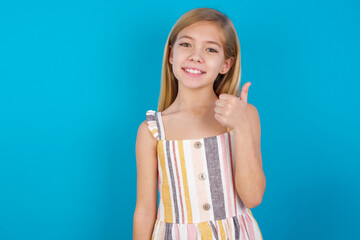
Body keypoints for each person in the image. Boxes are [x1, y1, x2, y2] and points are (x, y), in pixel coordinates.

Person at [133, 7, 265, 240]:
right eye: (186, 44)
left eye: (211, 49)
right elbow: (144, 211)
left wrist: (241, 127)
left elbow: (253, 197)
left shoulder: (245, 116)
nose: (196, 56)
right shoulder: (152, 131)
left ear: (226, 64)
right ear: (171, 55)